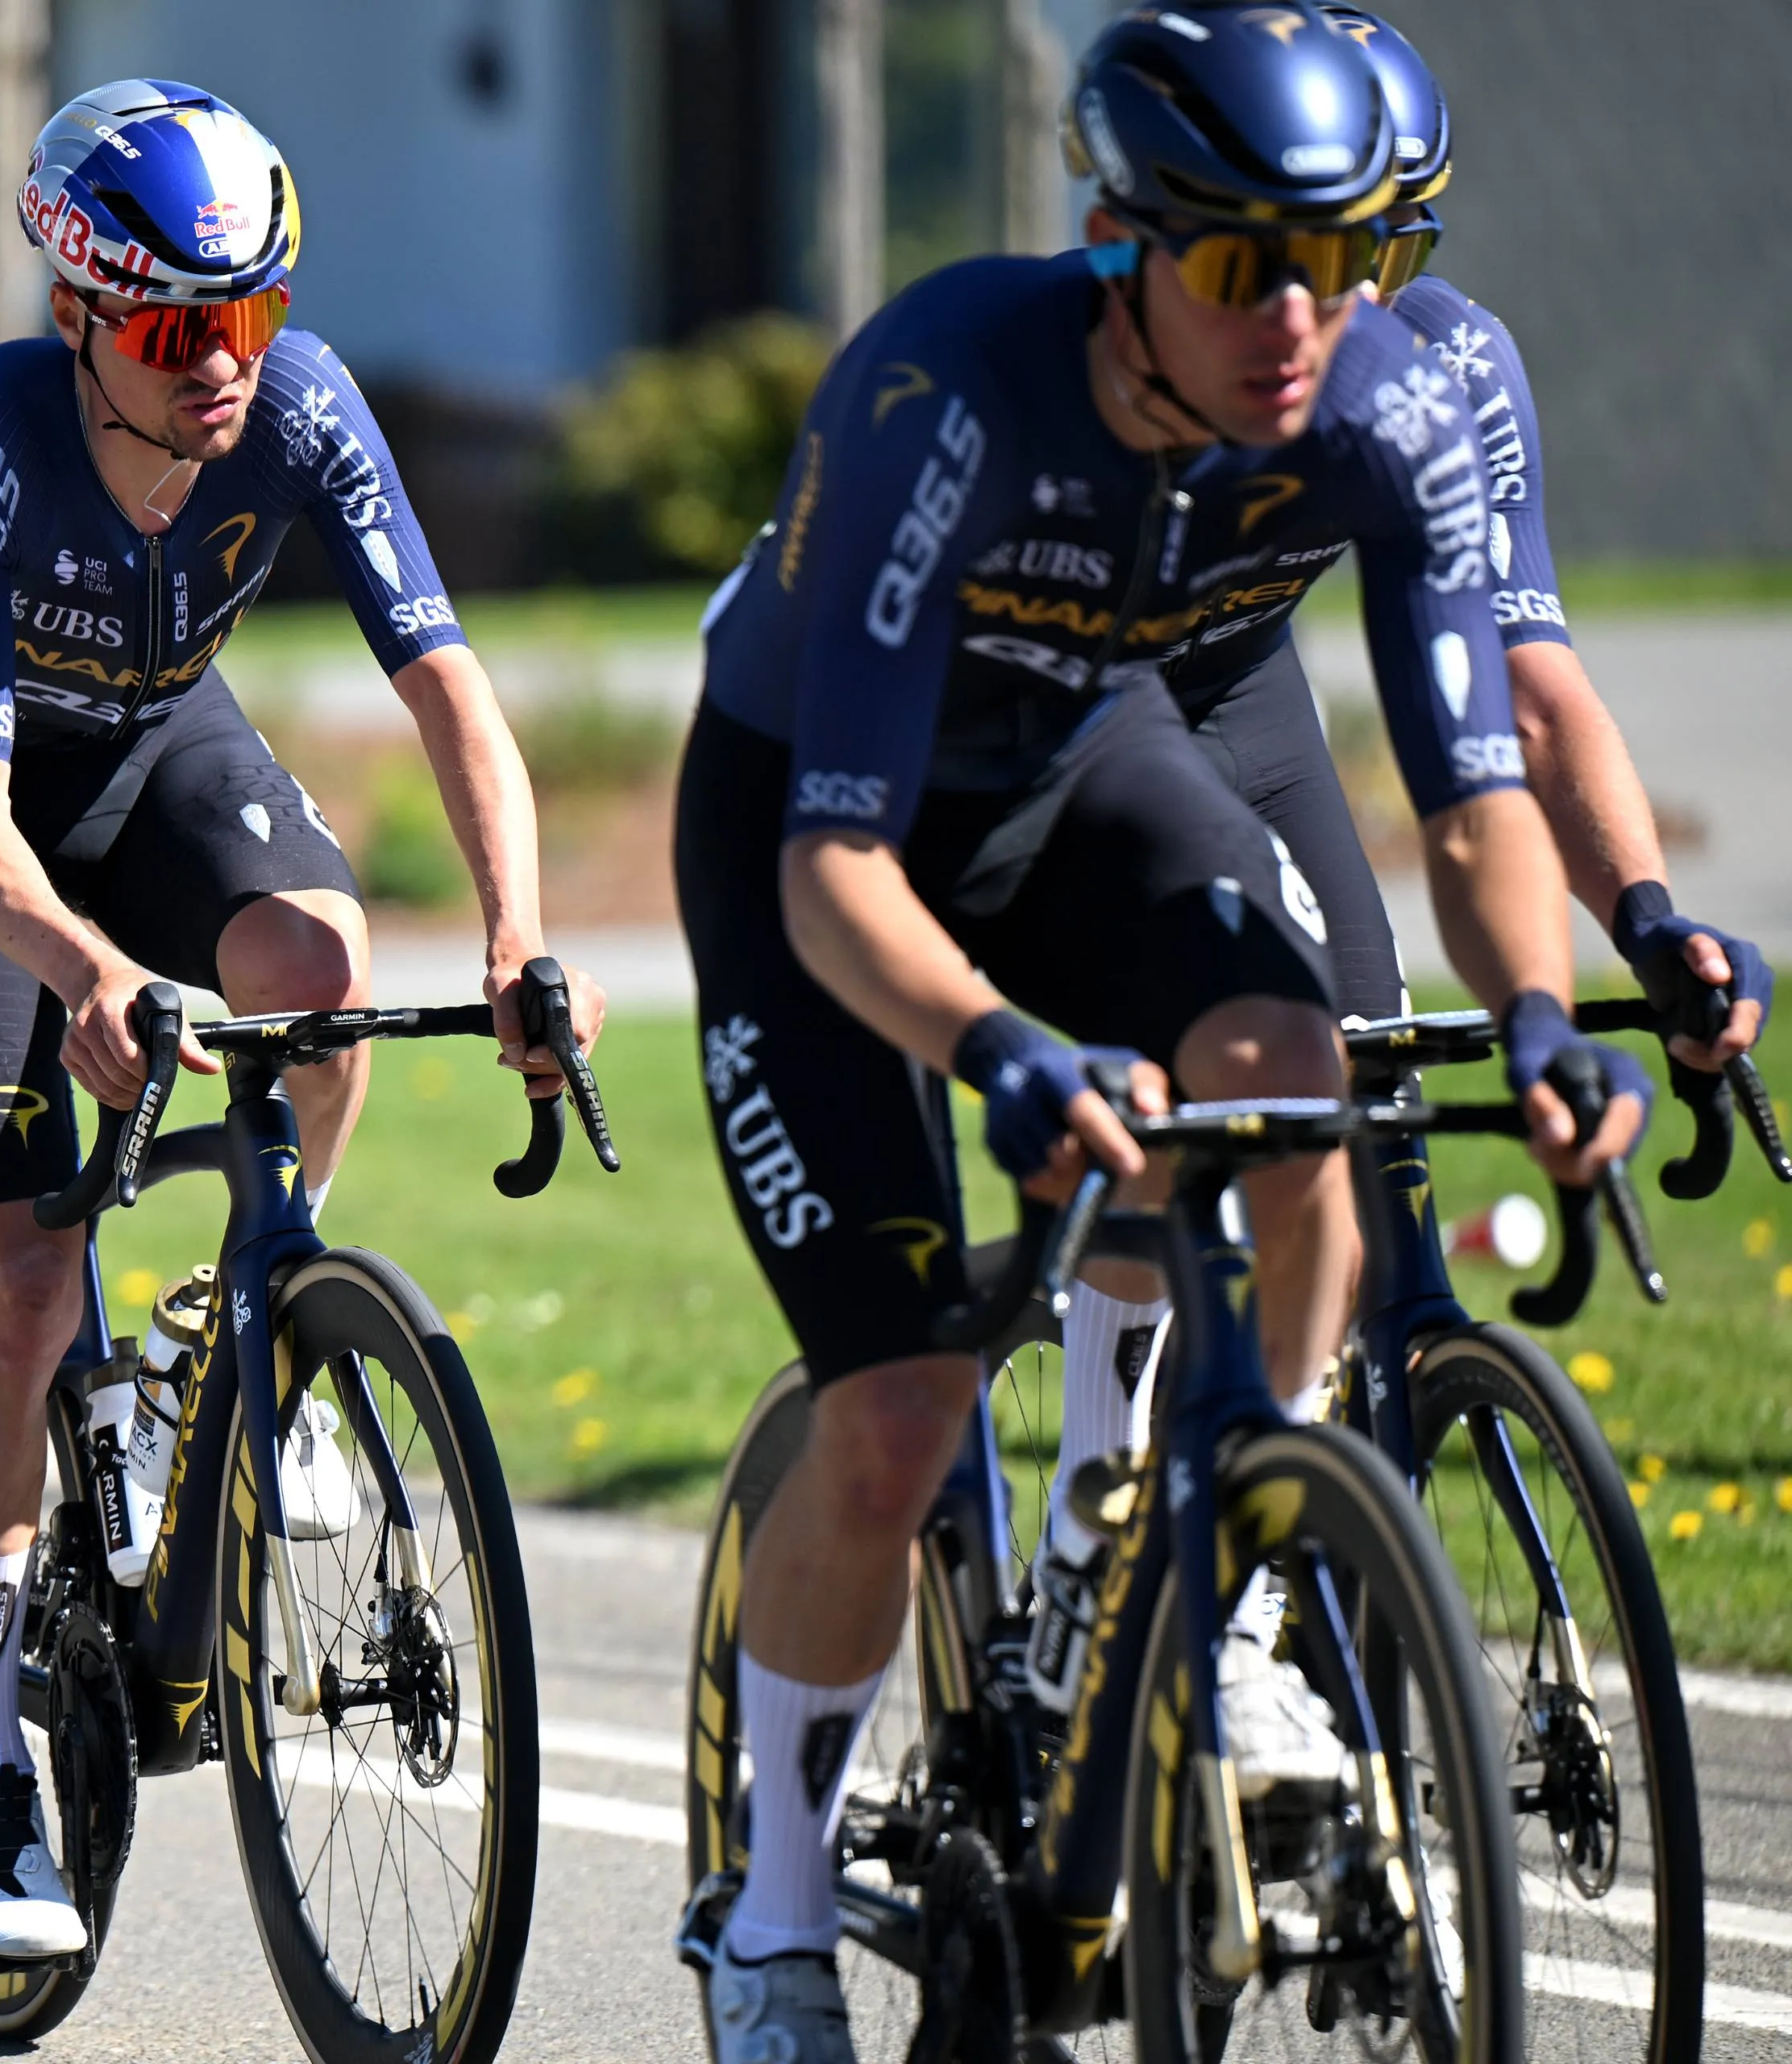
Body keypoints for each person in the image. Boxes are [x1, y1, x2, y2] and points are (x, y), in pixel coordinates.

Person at [673, 7, 1647, 2056]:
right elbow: (833, 872)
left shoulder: (1380, 402)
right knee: (898, 1411)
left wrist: (1549, 1009)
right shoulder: (951, 389)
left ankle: (1228, 1573)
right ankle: (771, 1915)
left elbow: (1477, 788)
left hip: (1076, 765)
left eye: (1345, 261)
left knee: (1304, 1093)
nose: (1300, 317)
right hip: (818, 827)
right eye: (1239, 264)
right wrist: (997, 1049)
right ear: (1123, 247)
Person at [0, 79, 602, 1959]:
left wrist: (517, 934)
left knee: (320, 981)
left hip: (161, 740)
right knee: (20, 1277)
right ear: (81, 317)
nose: (227, 363)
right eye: (182, 330)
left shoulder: (304, 405)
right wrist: (85, 969)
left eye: (253, 311)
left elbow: (450, 690)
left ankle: (243, 1316)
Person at [1025, 2, 1771, 1672]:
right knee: (1180, 1093)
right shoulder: (1129, 346)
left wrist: (1645, 918)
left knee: (1376, 1104)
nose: (1331, 307)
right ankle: (1095, 1508)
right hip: (1078, 703)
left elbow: (1526, 695)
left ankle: (1332, 1582)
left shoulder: (1442, 368)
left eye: (1386, 250)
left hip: (1244, 694)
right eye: (1288, 255)